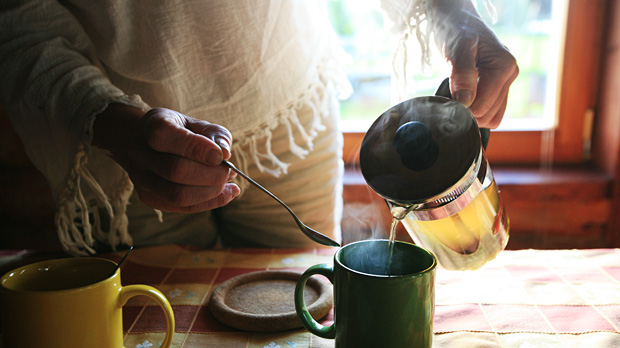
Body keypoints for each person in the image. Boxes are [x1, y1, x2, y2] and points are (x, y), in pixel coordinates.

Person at [0, 0, 517, 255]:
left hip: (288, 110)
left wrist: (455, 16)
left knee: (303, 307)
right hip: (127, 154)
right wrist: (113, 124)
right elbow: (19, 21)